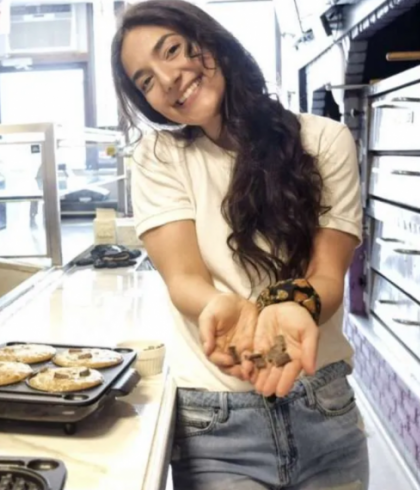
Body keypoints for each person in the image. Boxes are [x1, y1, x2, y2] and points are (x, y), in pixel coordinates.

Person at [111, 1, 369, 489]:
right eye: (144, 81)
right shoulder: (157, 157)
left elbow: (328, 274)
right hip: (215, 420)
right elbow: (184, 277)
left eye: (172, 51)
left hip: (322, 403)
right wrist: (218, 305)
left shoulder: (326, 140)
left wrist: (293, 306)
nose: (166, 79)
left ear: (212, 43)